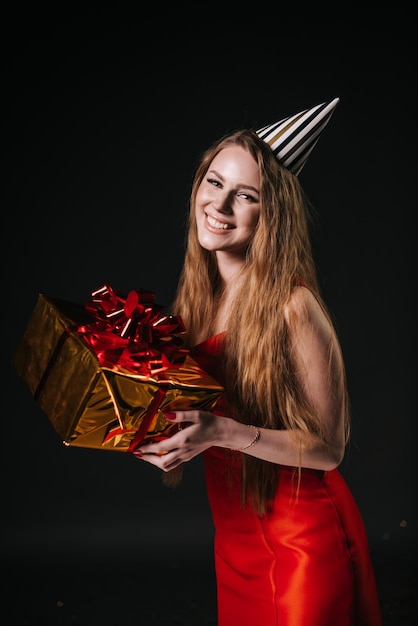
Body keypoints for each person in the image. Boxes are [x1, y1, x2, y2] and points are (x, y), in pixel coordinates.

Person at [133, 98, 383, 626]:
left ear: (272, 214)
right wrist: (156, 440)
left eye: (245, 195)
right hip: (236, 542)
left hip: (303, 543)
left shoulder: (294, 306)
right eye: (213, 182)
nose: (219, 206)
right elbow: (192, 423)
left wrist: (220, 431)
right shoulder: (195, 305)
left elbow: (329, 449)